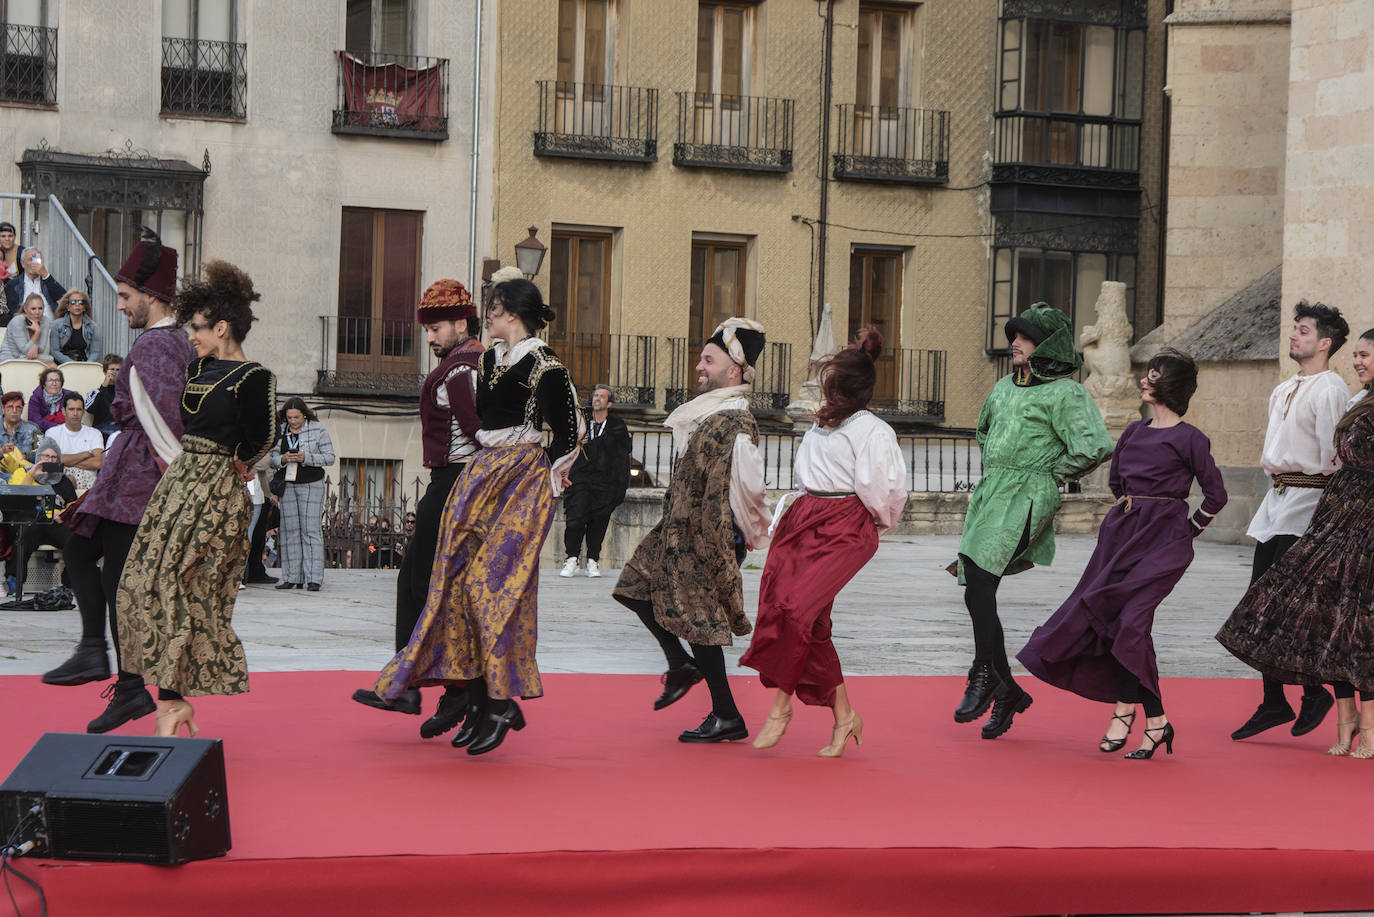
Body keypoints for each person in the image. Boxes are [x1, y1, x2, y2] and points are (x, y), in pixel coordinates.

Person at [369, 278, 582, 756]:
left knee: (492, 587)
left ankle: (498, 700)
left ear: (512, 312)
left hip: (523, 479)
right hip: (482, 475)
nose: (488, 314)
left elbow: (570, 430)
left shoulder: (546, 366)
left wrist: (552, 476)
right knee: (462, 587)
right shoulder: (489, 360)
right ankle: (485, 702)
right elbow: (481, 424)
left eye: (495, 307)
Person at [1018, 350, 1227, 759]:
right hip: (1120, 538)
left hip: (1164, 543)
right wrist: (1133, 512)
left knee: (1131, 623)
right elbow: (1117, 482)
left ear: (1173, 386)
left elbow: (1216, 494)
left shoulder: (1191, 438)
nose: (1145, 380)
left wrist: (1187, 529)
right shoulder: (1133, 431)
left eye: (1154, 376)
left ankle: (1128, 712)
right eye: (1147, 374)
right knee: (1116, 625)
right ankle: (1154, 721)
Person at [43, 229, 196, 733]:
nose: (122, 306)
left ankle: (126, 684)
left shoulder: (155, 346)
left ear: (152, 298)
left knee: (116, 583)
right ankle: (98, 657)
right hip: (131, 472)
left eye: (127, 297)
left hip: (140, 479)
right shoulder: (170, 342)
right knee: (83, 551)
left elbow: (165, 420)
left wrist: (177, 484)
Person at [115, 260, 276, 737]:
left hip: (217, 488)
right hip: (180, 480)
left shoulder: (254, 377)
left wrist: (239, 466)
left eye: (200, 328)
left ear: (222, 327)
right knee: (144, 582)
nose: (192, 336)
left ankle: (171, 704)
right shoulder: (200, 367)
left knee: (185, 587)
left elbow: (262, 437)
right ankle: (170, 701)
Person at [739, 327, 907, 756]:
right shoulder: (820, 426)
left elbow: (885, 493)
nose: (825, 389)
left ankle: (781, 708)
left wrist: (871, 527)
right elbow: (805, 478)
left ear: (845, 385)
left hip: (843, 524)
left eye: (830, 381)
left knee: (797, 612)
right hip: (804, 518)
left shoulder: (873, 431)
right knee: (802, 619)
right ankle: (845, 717)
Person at [951, 303, 1114, 740]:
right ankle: (1006, 691)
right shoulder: (1003, 387)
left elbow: (1095, 445)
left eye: (1024, 336)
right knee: (975, 588)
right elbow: (984, 430)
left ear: (1049, 345)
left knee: (981, 581)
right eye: (1014, 335)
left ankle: (983, 674)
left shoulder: (1066, 392)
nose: (1014, 342)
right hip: (991, 492)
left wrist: (1049, 472)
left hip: (1027, 494)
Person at [1217, 326, 1374, 758]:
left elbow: (1337, 456)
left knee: (1304, 604)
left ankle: (1315, 697)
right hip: (1283, 498)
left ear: (1325, 342)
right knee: (1263, 598)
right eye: (1356, 354)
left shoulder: (1333, 390)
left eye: (1303, 330)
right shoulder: (1292, 388)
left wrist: (1338, 513)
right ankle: (1277, 699)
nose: (1292, 336)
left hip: (1320, 503)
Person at [613, 318, 771, 743]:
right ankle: (680, 665)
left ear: (734, 370)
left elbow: (750, 491)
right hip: (678, 528)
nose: (699, 367)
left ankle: (726, 715)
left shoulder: (735, 424)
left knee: (700, 621)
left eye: (708, 360)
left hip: (708, 535)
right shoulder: (706, 415)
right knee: (632, 586)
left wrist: (736, 542)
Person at [352, 278, 484, 737]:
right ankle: (434, 686)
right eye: (426, 329)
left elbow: (479, 433)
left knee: (422, 584)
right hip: (452, 482)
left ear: (461, 323)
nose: (428, 337)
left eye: (436, 328)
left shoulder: (462, 369)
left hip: (454, 484)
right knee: (423, 584)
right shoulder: (462, 365)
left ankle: (426, 686)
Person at [559, 383, 632, 579]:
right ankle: (571, 558)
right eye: (595, 396)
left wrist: (619, 484)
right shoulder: (582, 424)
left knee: (599, 522)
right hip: (581, 479)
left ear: (609, 403)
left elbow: (623, 454)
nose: (597, 399)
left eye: (601, 396)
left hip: (604, 482)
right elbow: (567, 448)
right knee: (575, 519)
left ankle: (593, 560)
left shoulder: (616, 426)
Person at [270, 397, 335, 591]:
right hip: (288, 484)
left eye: (296, 417)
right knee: (289, 531)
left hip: (311, 483)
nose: (292, 421)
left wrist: (307, 457)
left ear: (304, 414)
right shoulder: (281, 430)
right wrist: (282, 458)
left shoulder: (318, 430)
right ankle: (292, 577)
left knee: (311, 531)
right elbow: (271, 458)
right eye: (289, 417)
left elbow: (330, 457)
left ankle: (314, 578)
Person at [0, 438, 77, 592]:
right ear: (38, 457)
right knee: (26, 532)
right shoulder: (21, 473)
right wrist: (32, 475)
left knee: (74, 539)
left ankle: (69, 583)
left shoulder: (63, 481)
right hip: (27, 520)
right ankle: (15, 580)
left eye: (54, 458)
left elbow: (72, 506)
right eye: (46, 456)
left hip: (54, 522)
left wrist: (65, 513)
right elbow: (16, 500)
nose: (50, 460)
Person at [47, 392, 103, 490]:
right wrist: (85, 455)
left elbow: (98, 463)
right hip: (60, 481)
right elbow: (49, 465)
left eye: (79, 409)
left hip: (88, 484)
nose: (75, 413)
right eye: (71, 409)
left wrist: (64, 461)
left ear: (83, 412)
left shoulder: (94, 433)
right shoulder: (52, 433)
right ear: (64, 411)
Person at [4, 246, 65, 320]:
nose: (34, 263)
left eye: (36, 259)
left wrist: (45, 274)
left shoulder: (48, 281)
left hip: (50, 327)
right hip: (25, 327)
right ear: (23, 263)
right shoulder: (13, 284)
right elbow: (12, 311)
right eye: (30, 259)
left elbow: (64, 299)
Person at [52, 290, 102, 364]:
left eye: (81, 302)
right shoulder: (56, 324)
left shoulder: (93, 327)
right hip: (62, 364)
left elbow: (95, 352)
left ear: (84, 307)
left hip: (84, 364)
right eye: (73, 302)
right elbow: (54, 351)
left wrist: (87, 365)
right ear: (68, 307)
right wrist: (71, 364)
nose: (77, 304)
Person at [1, 293, 54, 364]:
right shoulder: (17, 322)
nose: (37, 312)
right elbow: (25, 350)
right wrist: (37, 332)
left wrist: (35, 348)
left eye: (40, 308)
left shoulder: (45, 321)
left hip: (29, 357)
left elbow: (41, 349)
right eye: (33, 309)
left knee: (50, 360)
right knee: (49, 364)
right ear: (25, 309)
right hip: (10, 358)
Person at [85, 354, 122, 438]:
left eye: (118, 370)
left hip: (120, 430)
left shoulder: (125, 392)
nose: (115, 372)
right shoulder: (95, 392)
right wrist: (104, 386)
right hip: (102, 430)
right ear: (105, 371)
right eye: (112, 369)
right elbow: (90, 409)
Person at [0, 390, 40, 460]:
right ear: (3, 408)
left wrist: (25, 456)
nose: (14, 411)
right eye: (10, 407)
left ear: (22, 409)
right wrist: (2, 452)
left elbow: (42, 452)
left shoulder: (33, 428)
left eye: (18, 407)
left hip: (27, 469)